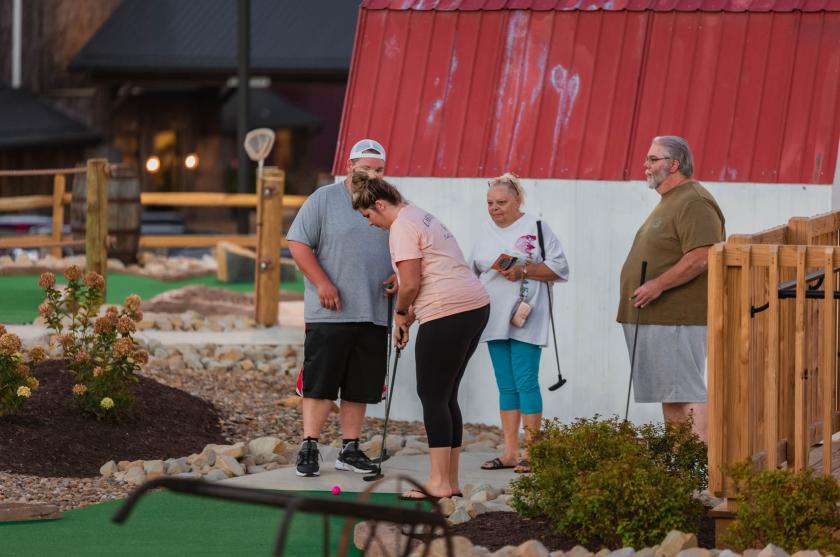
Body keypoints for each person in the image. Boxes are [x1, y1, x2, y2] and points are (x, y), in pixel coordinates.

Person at [350, 173, 490, 500]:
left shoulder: (401, 227)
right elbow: (431, 274)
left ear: (380, 204)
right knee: (446, 394)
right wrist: (410, 318)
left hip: (448, 311)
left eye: (368, 216)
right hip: (473, 306)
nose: (370, 223)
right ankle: (450, 482)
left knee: (432, 395)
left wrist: (399, 314)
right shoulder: (419, 214)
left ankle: (439, 483)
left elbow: (410, 283)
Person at [286, 139, 397, 477]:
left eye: (378, 169)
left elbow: (405, 243)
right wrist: (322, 282)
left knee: (359, 384)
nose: (372, 174)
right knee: (321, 381)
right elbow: (298, 243)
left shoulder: (390, 201)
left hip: (374, 309)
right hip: (329, 311)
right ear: (349, 165)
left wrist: (398, 273)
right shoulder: (323, 199)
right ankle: (310, 445)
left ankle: (350, 448)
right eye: (366, 168)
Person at [617, 135, 725, 442]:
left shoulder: (693, 201)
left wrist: (657, 285)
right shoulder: (672, 199)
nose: (646, 165)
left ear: (674, 164)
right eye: (647, 159)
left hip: (677, 316)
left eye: (653, 159)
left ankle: (698, 467)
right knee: (672, 392)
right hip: (658, 317)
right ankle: (680, 466)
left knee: (686, 390)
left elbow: (703, 255)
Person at [471, 173, 569, 474]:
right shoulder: (485, 230)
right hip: (494, 315)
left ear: (518, 200)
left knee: (525, 380)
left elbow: (560, 268)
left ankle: (533, 452)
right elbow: (472, 269)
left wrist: (524, 270)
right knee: (506, 384)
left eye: (501, 202)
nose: (494, 208)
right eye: (490, 203)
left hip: (527, 315)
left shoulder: (537, 227)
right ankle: (511, 451)